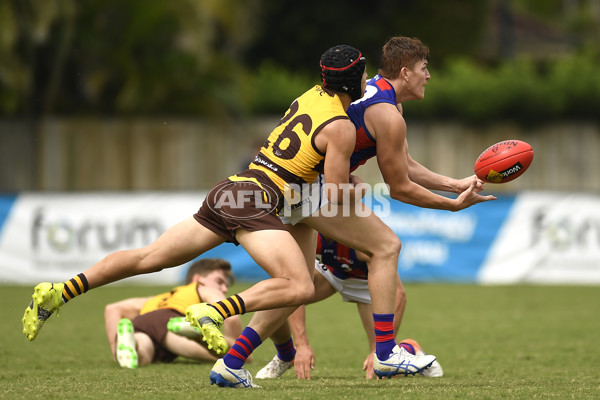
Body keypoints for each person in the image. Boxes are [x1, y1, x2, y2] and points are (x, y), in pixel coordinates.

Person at [23, 44, 420, 389]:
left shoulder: (308, 97)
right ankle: (214, 310)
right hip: (260, 201)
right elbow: (332, 193)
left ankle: (62, 291)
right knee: (298, 285)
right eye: (363, 72)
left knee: (148, 257)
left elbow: (305, 171)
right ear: (354, 80)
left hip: (230, 189)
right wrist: (361, 190)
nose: (368, 77)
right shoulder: (341, 127)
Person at [262, 35, 497, 380]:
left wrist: (455, 184)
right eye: (423, 68)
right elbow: (399, 187)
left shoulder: (380, 95)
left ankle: (242, 354)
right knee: (377, 251)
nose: (428, 76)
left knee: (302, 282)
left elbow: (407, 166)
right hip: (310, 190)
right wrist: (451, 207)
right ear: (405, 72)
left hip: (302, 186)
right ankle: (384, 352)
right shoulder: (387, 114)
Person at [255, 233, 443, 380]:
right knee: (273, 298)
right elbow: (291, 285)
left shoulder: (363, 234)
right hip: (331, 275)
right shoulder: (312, 229)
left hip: (365, 285)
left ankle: (410, 348)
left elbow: (399, 296)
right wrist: (301, 344)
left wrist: (378, 351)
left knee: (383, 371)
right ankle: (286, 354)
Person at [104, 258, 242, 368]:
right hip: (173, 321)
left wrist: (114, 348)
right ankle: (196, 333)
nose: (224, 289)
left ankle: (128, 345)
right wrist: (236, 346)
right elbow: (232, 318)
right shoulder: (202, 288)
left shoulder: (163, 297)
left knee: (142, 353)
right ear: (197, 279)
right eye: (219, 282)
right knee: (229, 353)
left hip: (142, 322)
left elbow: (112, 309)